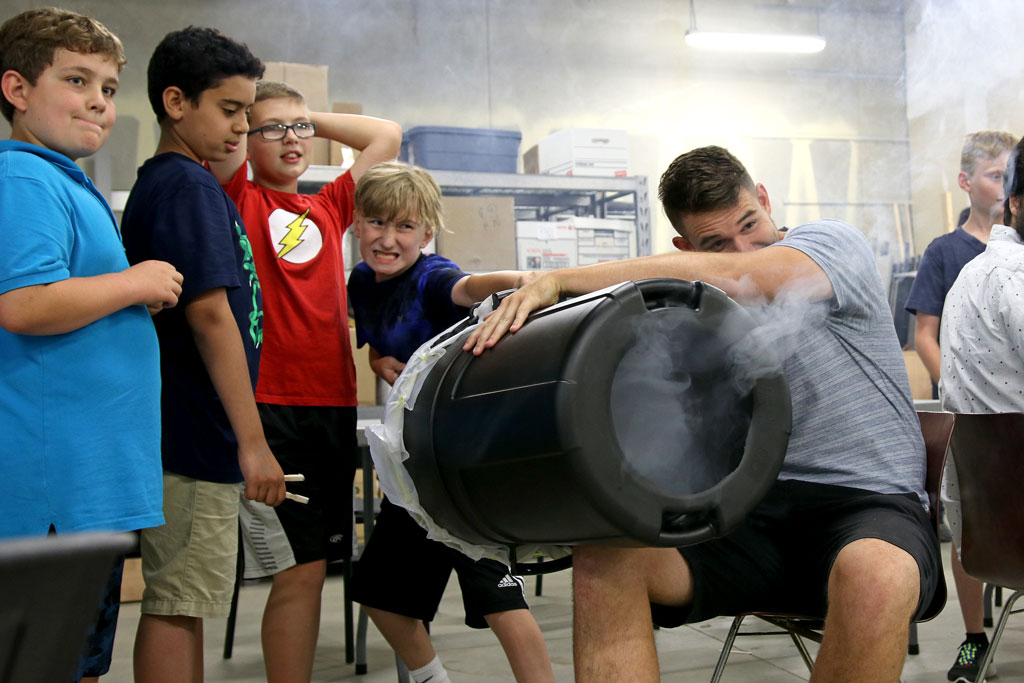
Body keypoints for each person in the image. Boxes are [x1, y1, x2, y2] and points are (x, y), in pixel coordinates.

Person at [466, 146, 940, 683]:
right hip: (748, 516)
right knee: (607, 555)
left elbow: (745, 275)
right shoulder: (692, 315)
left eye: (750, 225)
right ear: (684, 247)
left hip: (868, 507)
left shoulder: (832, 245)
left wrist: (567, 277)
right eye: (716, 244)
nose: (742, 249)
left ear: (763, 198)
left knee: (877, 576)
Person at [0, 9, 183, 682]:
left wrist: (126, 290)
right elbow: (23, 304)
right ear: (17, 90)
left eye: (108, 88)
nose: (98, 102)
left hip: (84, 486)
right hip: (56, 492)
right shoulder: (22, 180)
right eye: (77, 80)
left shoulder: (58, 182)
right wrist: (133, 281)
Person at [207, 80, 401, 682]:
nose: (290, 140)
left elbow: (385, 135)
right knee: (297, 569)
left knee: (316, 563)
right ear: (244, 134)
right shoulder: (236, 196)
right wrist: (260, 117)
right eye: (271, 129)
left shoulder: (328, 205)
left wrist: (297, 116)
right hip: (272, 406)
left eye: (299, 130)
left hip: (332, 406)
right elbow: (229, 146)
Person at [120, 27, 286, 683]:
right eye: (229, 109)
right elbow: (211, 314)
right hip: (191, 432)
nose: (242, 126)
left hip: (187, 430)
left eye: (248, 112)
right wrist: (252, 442)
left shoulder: (178, 183)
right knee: (177, 601)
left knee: (183, 602)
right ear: (176, 101)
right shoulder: (185, 187)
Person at [347, 161, 554, 683]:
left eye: (405, 227)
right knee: (379, 593)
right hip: (412, 470)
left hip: (464, 467)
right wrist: (375, 358)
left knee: (498, 598)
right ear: (356, 222)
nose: (388, 239)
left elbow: (466, 287)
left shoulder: (431, 278)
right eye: (376, 222)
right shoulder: (362, 282)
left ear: (427, 232)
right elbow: (381, 335)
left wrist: (530, 282)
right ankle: (431, 678)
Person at [938, 137, 1024, 682]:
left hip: (981, 534)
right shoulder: (1012, 280)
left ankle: (975, 641)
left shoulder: (973, 274)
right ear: (1016, 201)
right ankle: (973, 639)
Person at [906, 130, 1016, 395]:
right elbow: (924, 337)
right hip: (963, 406)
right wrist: (955, 388)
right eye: (996, 176)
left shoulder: (1018, 248)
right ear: (965, 181)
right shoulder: (942, 252)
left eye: (1012, 177)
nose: (1007, 185)